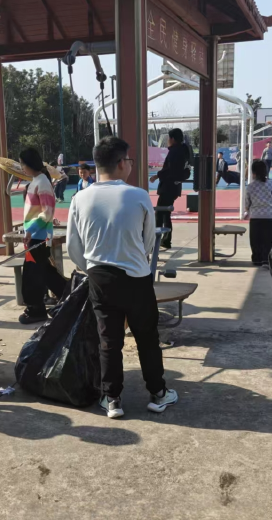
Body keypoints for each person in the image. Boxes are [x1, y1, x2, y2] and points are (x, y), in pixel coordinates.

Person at [67, 136, 178, 419]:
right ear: (120, 163)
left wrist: (91, 268)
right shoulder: (138, 196)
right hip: (137, 277)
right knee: (146, 337)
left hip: (99, 277)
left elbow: (73, 246)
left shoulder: (80, 198)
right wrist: (135, 259)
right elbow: (148, 241)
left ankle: (112, 398)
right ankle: (158, 392)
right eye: (129, 160)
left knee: (108, 339)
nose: (130, 165)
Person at [19, 148, 67, 324]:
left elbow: (47, 213)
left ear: (30, 164)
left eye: (23, 164)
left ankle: (36, 309)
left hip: (39, 236)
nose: (22, 167)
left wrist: (30, 230)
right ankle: (69, 295)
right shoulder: (36, 181)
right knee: (44, 272)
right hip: (34, 235)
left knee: (33, 274)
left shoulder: (43, 183)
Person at [150, 128, 190, 250]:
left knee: (159, 213)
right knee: (166, 214)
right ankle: (166, 240)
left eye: (168, 138)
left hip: (168, 187)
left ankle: (155, 240)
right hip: (174, 187)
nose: (167, 140)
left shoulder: (175, 152)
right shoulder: (183, 150)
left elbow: (170, 170)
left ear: (172, 139)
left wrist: (157, 175)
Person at [244, 160, 272, 265]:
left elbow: (247, 202)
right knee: (269, 239)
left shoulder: (251, 186)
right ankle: (267, 258)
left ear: (253, 172)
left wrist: (248, 210)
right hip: (270, 215)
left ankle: (257, 258)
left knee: (256, 239)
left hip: (255, 216)